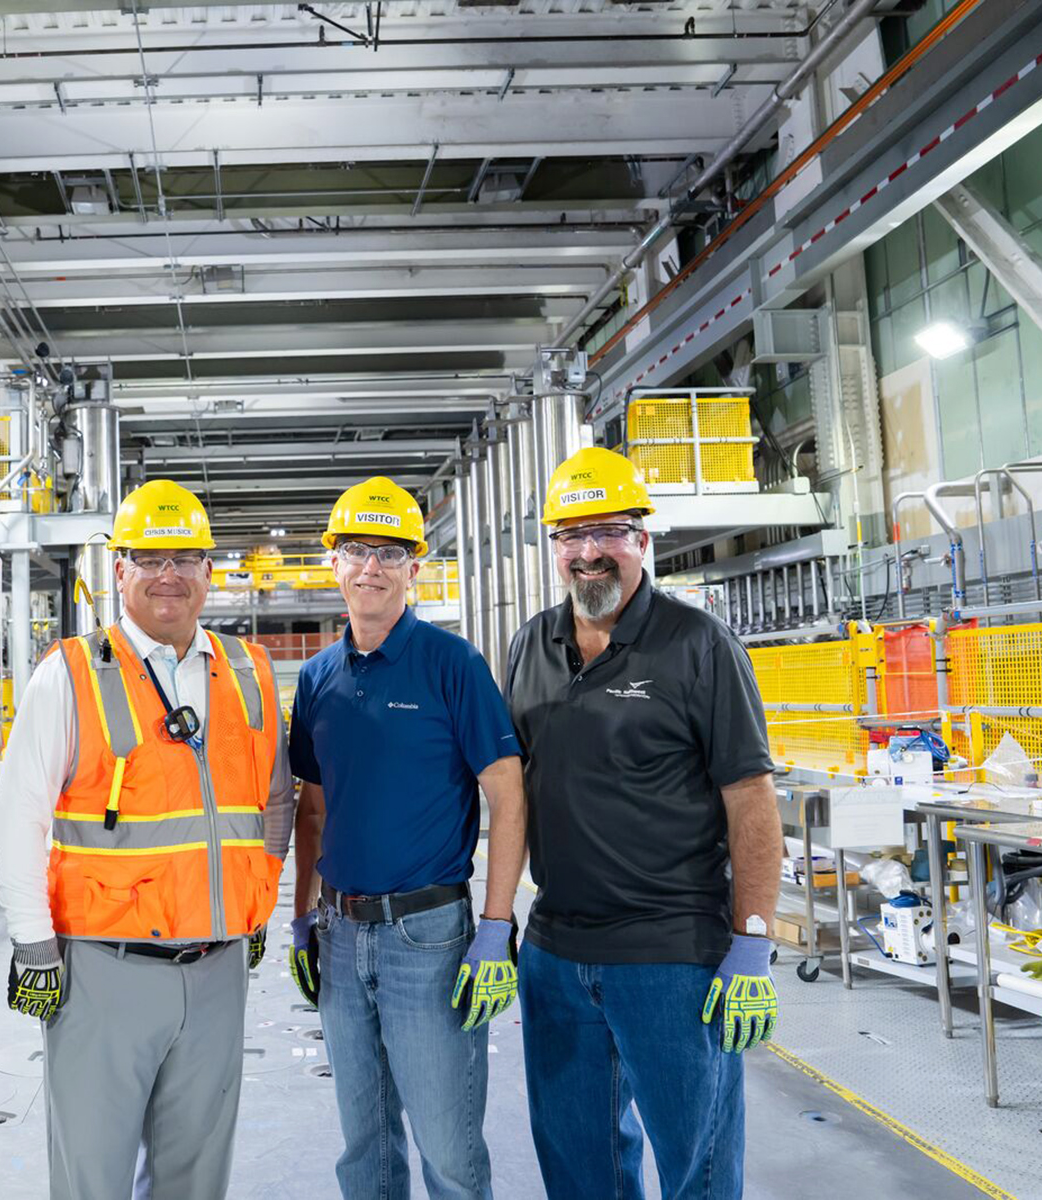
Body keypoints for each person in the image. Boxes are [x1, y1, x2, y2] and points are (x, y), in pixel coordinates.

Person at [0, 478, 294, 1200]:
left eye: (185, 558)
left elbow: (276, 800)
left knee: (197, 1178)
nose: (169, 575)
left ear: (209, 571)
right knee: (93, 1176)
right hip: (105, 972)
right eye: (148, 558)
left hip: (218, 969)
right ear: (119, 570)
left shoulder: (249, 671)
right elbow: (18, 815)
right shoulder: (69, 675)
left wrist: (253, 903)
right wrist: (35, 946)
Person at [503, 447, 783, 1200]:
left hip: (671, 958)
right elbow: (509, 791)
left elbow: (750, 796)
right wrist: (495, 922)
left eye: (609, 533)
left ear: (642, 542)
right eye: (571, 535)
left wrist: (754, 939)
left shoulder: (698, 645)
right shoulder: (531, 645)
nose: (589, 553)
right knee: (579, 1170)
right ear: (554, 546)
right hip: (556, 954)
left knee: (697, 1168)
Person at [288, 476, 525, 1200]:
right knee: (365, 1151)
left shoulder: (453, 665)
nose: (372, 568)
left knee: (448, 1149)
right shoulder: (318, 678)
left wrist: (494, 928)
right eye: (356, 551)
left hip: (429, 936)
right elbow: (312, 809)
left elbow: (509, 797)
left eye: (390, 553)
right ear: (332, 562)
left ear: (415, 568)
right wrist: (300, 918)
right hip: (339, 931)